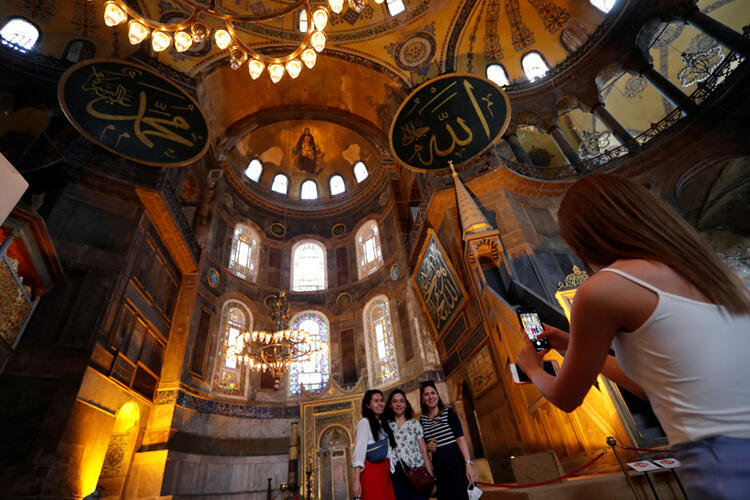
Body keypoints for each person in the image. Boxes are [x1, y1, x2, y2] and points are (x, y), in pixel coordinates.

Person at [515, 172, 750, 499]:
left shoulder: (603, 289)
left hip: (725, 459)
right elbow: (654, 387)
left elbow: (566, 398)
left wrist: (531, 368)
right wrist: (571, 344)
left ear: (584, 238)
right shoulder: (719, 276)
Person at [419, 381, 477, 500]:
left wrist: (468, 464)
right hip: (439, 469)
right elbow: (423, 446)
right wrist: (428, 447)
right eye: (426, 394)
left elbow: (460, 439)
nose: (430, 397)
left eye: (433, 393)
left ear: (438, 395)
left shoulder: (448, 412)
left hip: (456, 465)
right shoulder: (423, 419)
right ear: (422, 399)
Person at [384, 389, 434, 500]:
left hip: (418, 475)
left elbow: (423, 452)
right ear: (390, 405)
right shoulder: (387, 427)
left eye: (401, 401)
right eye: (395, 401)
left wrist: (431, 477)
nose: (398, 404)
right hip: (399, 478)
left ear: (406, 404)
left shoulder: (414, 423)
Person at [352, 389, 396, 500]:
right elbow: (360, 450)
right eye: (376, 401)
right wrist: (356, 480)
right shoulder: (364, 422)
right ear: (368, 405)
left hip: (384, 474)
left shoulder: (383, 424)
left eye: (382, 400)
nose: (380, 403)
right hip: (372, 473)